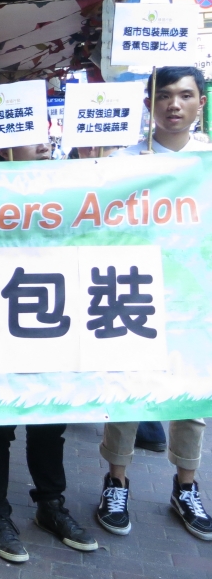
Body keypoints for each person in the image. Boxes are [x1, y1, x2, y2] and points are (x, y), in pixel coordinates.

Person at [96, 65, 212, 541]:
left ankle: (185, 486)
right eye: (164, 95)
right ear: (149, 104)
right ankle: (115, 482)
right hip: (135, 294)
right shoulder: (126, 162)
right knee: (127, 391)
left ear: (200, 103)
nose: (174, 105)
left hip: (196, 298)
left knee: (191, 395)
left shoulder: (207, 162)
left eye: (185, 95)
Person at [0, 139, 98, 563]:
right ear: (2, 145)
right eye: (30, 134)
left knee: (49, 420)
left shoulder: (67, 186)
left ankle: (51, 506)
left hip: (51, 320)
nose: (44, 142)